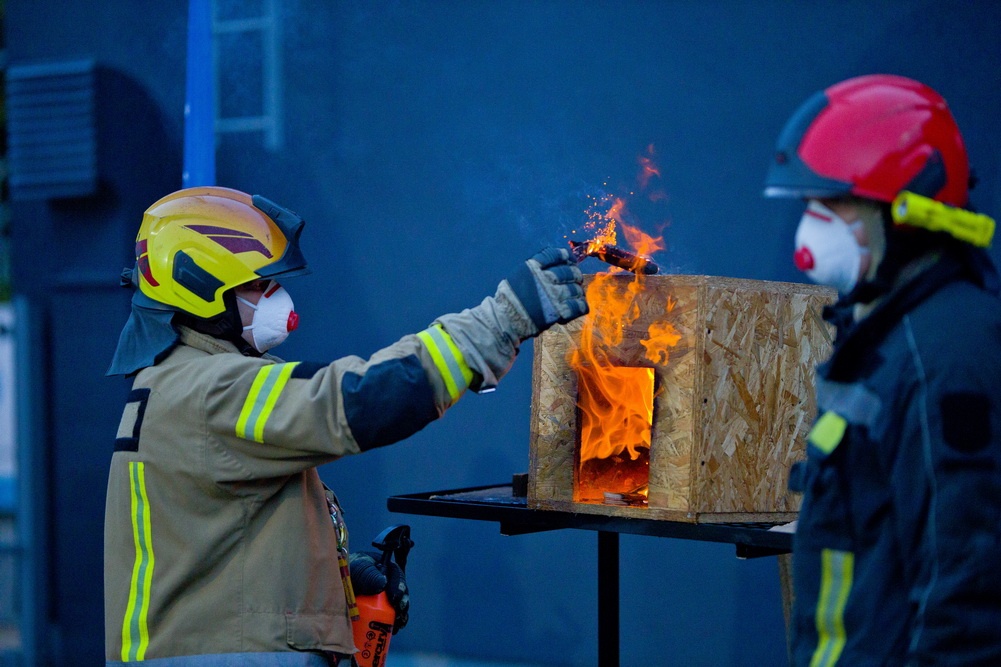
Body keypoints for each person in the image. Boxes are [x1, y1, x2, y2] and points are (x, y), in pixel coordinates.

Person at [103, 186, 587, 666]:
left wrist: (335, 581)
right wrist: (500, 322)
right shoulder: (212, 387)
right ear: (200, 288)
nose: (277, 299)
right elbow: (358, 400)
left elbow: (222, 541)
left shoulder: (173, 382)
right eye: (257, 286)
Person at [765, 74, 1001, 665]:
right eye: (807, 203)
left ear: (905, 211)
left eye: (833, 202)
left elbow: (964, 601)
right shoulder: (893, 332)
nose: (811, 225)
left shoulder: (945, 359)